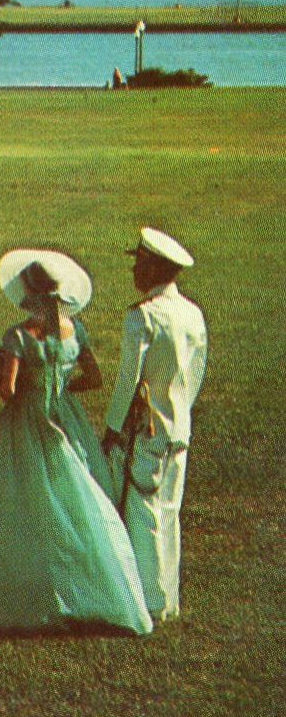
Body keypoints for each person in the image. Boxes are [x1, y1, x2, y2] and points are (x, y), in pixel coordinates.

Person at [0, 250, 151, 635]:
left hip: (27, 420)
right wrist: (62, 386)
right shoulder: (76, 331)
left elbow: (9, 389)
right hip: (66, 418)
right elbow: (95, 379)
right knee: (80, 498)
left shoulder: (19, 336)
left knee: (16, 503)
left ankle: (23, 596)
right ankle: (93, 591)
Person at [103, 227, 208, 624]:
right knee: (169, 512)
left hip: (147, 430)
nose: (135, 270)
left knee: (144, 511)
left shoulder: (142, 316)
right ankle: (167, 597)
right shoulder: (192, 313)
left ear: (156, 268)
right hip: (178, 426)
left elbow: (128, 379)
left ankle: (149, 601)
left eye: (141, 263)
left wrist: (113, 429)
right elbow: (194, 375)